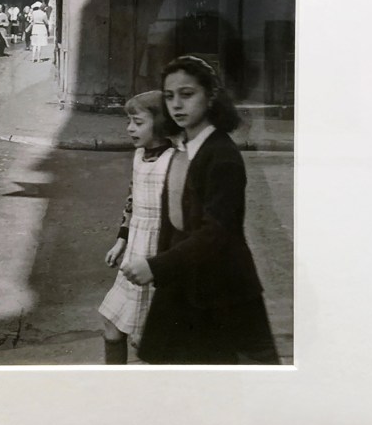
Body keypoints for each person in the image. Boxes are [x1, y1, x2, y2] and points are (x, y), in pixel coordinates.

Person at [121, 55, 280, 365]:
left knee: (237, 389)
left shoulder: (222, 157)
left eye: (187, 94)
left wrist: (157, 266)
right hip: (184, 285)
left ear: (210, 97)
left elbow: (215, 234)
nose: (176, 105)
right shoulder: (183, 149)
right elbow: (174, 224)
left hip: (224, 295)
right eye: (169, 96)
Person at [99, 92, 178, 364]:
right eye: (129, 122)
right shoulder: (138, 155)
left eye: (138, 122)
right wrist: (122, 240)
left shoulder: (174, 160)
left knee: (147, 340)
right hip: (135, 250)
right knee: (111, 321)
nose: (130, 128)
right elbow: (132, 201)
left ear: (158, 124)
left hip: (158, 256)